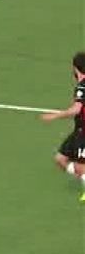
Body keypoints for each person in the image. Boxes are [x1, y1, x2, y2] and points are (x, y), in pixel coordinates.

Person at [40, 52, 85, 203]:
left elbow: (77, 109)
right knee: (60, 159)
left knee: (80, 167)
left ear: (75, 68)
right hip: (78, 130)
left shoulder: (82, 87)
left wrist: (55, 116)